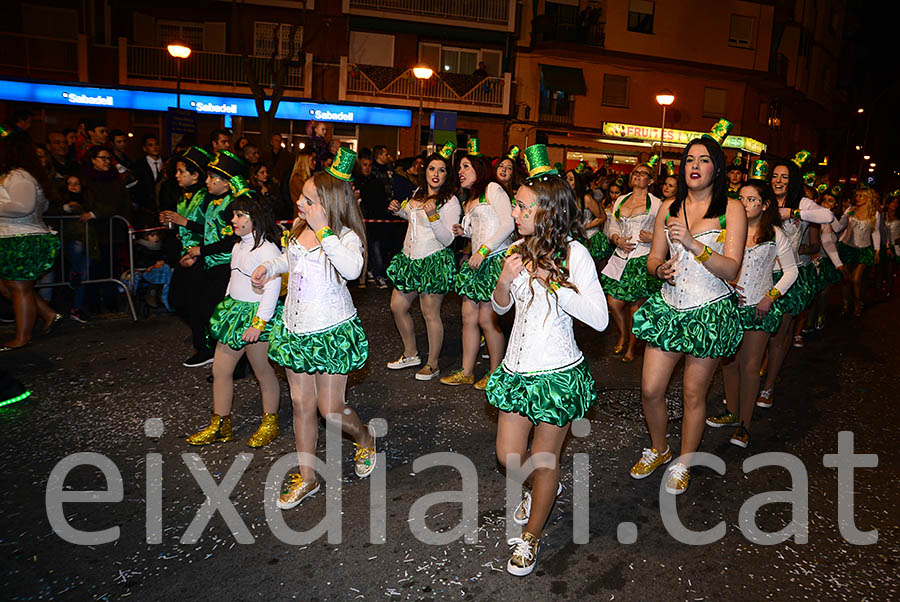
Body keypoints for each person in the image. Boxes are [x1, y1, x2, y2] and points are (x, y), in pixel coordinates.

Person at [487, 144, 608, 576]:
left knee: (544, 460)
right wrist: (505, 279)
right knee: (507, 456)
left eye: (521, 206)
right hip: (518, 371)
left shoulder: (576, 255)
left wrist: (553, 283)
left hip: (557, 373)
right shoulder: (515, 249)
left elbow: (599, 318)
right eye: (516, 206)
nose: (515, 212)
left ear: (547, 211)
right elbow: (501, 309)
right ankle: (537, 490)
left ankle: (532, 536)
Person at [252, 148, 376, 509]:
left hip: (330, 330)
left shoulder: (345, 236)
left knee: (331, 409)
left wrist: (324, 230)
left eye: (307, 200)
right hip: (295, 327)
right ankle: (308, 478)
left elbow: (352, 270)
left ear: (327, 205)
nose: (299, 204)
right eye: (301, 198)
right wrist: (271, 268)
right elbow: (290, 258)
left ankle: (365, 438)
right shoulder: (298, 228)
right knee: (300, 404)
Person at [630, 120, 747, 495]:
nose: (694, 165)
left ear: (717, 168)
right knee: (650, 388)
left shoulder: (732, 209)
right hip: (670, 307)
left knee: (694, 393)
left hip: (708, 310)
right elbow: (653, 260)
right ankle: (660, 448)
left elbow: (731, 269)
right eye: (689, 160)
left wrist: (696, 245)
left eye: (704, 159)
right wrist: (659, 269)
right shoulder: (668, 206)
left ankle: (684, 461)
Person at [705, 167, 797, 448]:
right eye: (741, 198)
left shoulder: (775, 234)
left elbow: (791, 271)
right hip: (728, 307)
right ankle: (732, 413)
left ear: (765, 204)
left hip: (758, 308)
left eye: (751, 199)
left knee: (749, 366)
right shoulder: (726, 232)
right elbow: (712, 264)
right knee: (728, 364)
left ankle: (744, 425)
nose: (744, 204)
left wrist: (771, 296)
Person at [186, 194, 283, 448]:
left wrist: (259, 324)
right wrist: (227, 305)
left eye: (240, 215)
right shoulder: (238, 245)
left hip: (255, 317)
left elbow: (272, 289)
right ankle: (220, 424)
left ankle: (270, 422)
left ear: (256, 218)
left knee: (263, 372)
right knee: (220, 370)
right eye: (233, 215)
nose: (233, 220)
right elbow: (234, 278)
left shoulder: (267, 249)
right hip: (235, 313)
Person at [757, 153, 840, 408]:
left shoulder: (802, 202)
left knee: (779, 335)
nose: (778, 181)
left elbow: (828, 217)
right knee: (757, 332)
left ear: (792, 180)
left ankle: (768, 387)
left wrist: (792, 212)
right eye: (775, 176)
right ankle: (752, 378)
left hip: (789, 276)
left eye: (784, 177)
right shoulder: (763, 200)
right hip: (760, 274)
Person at [161, 150, 245, 367]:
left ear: (226, 183)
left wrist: (199, 248)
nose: (207, 182)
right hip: (208, 261)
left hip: (224, 264)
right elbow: (209, 231)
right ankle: (214, 352)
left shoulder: (232, 205)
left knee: (217, 313)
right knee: (197, 306)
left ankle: (228, 360)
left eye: (211, 177)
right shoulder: (214, 201)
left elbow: (231, 239)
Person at [441, 139, 514, 389]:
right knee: (468, 318)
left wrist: (483, 249)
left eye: (465, 166)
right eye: (459, 167)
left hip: (492, 261)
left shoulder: (493, 188)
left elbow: (508, 224)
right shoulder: (469, 200)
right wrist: (466, 233)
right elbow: (484, 229)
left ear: (479, 168)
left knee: (487, 320)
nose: (460, 172)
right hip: (476, 263)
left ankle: (496, 374)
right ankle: (467, 371)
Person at [385, 142, 461, 381]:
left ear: (447, 175)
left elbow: (448, 239)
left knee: (430, 313)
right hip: (409, 260)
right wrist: (399, 211)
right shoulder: (417, 193)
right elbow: (412, 218)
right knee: (398, 306)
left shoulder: (451, 201)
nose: (436, 174)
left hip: (433, 260)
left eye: (441, 170)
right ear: (424, 171)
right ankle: (410, 353)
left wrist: (434, 216)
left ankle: (433, 364)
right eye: (432, 169)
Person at [0, 129, 62, 350]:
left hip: (22, 238)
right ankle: (47, 313)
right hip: (15, 236)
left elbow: (23, 206)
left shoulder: (20, 176)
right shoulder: (21, 175)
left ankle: (22, 337)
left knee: (18, 288)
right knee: (12, 286)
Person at [600, 158, 662, 362]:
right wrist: (616, 238)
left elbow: (667, 231)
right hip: (620, 256)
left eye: (643, 173)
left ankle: (632, 348)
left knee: (636, 305)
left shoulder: (656, 204)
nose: (638, 175)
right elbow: (613, 224)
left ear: (651, 181)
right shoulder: (621, 199)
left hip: (642, 257)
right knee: (614, 302)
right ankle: (624, 334)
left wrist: (654, 238)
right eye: (636, 172)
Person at [158, 146, 212, 354]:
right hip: (186, 254)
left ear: (195, 175)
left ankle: (205, 345)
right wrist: (170, 222)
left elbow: (211, 229)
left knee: (196, 303)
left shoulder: (205, 197)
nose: (177, 175)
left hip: (202, 256)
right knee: (178, 300)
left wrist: (185, 222)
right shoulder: (183, 197)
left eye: (182, 171)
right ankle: (203, 337)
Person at [837, 185, 881, 317]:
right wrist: (846, 215)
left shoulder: (875, 213)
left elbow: (875, 232)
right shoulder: (851, 210)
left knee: (856, 279)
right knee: (846, 278)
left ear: (869, 198)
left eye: (862, 196)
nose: (858, 198)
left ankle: (857, 302)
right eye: (857, 195)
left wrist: (877, 250)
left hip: (864, 249)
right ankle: (845, 304)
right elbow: (839, 226)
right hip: (847, 247)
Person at [359, 145, 394, 289]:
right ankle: (374, 273)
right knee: (372, 246)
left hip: (378, 217)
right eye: (364, 165)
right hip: (367, 218)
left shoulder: (377, 177)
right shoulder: (363, 179)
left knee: (378, 245)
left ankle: (377, 272)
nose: (367, 168)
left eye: (369, 165)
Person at [565, 163, 607, 260]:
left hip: (590, 238)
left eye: (571, 179)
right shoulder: (566, 198)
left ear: (578, 182)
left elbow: (602, 217)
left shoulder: (586, 199)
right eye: (566, 178)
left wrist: (585, 227)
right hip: (574, 238)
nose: (567, 181)